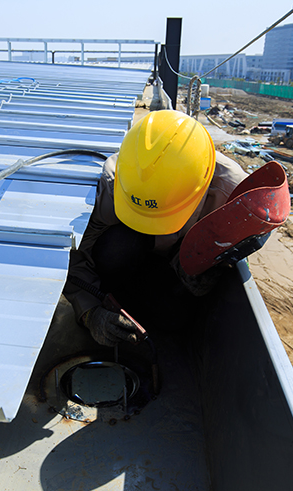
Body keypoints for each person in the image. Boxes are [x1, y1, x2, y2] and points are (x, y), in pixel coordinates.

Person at [64, 109, 249, 347]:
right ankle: (118, 299)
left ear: (202, 186)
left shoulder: (233, 192)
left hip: (174, 267)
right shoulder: (115, 183)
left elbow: (259, 229)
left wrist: (214, 262)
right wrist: (90, 312)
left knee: (172, 318)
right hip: (128, 257)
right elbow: (75, 254)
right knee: (117, 247)